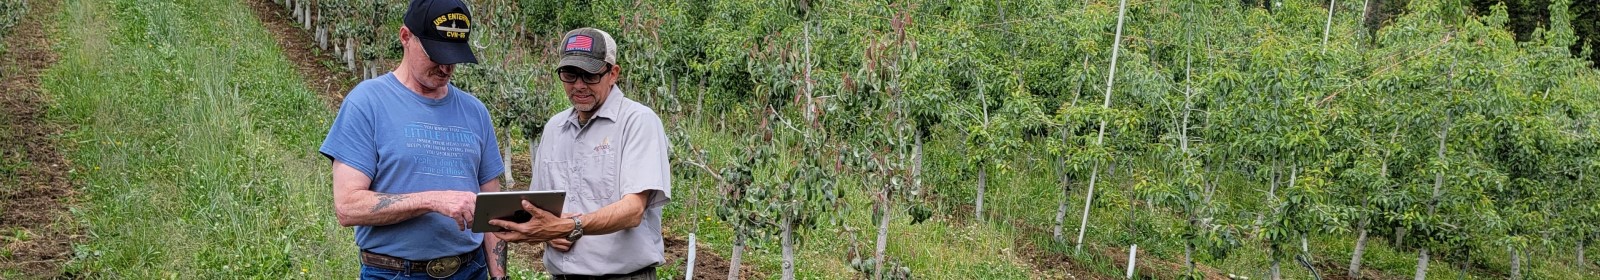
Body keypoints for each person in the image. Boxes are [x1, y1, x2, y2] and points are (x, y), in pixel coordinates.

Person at [319, 0, 509, 279]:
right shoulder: (367, 103)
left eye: (453, 57)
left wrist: (500, 276)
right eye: (436, 54)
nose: (446, 67)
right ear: (405, 37)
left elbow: (492, 210)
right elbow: (348, 207)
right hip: (394, 272)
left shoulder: (475, 112)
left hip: (471, 270)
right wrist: (432, 200)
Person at [488, 27, 672, 280]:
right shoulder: (555, 128)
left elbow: (633, 210)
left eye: (590, 76)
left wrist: (568, 226)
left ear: (613, 74)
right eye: (570, 75)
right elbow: (540, 208)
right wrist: (548, 233)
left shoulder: (637, 121)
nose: (579, 85)